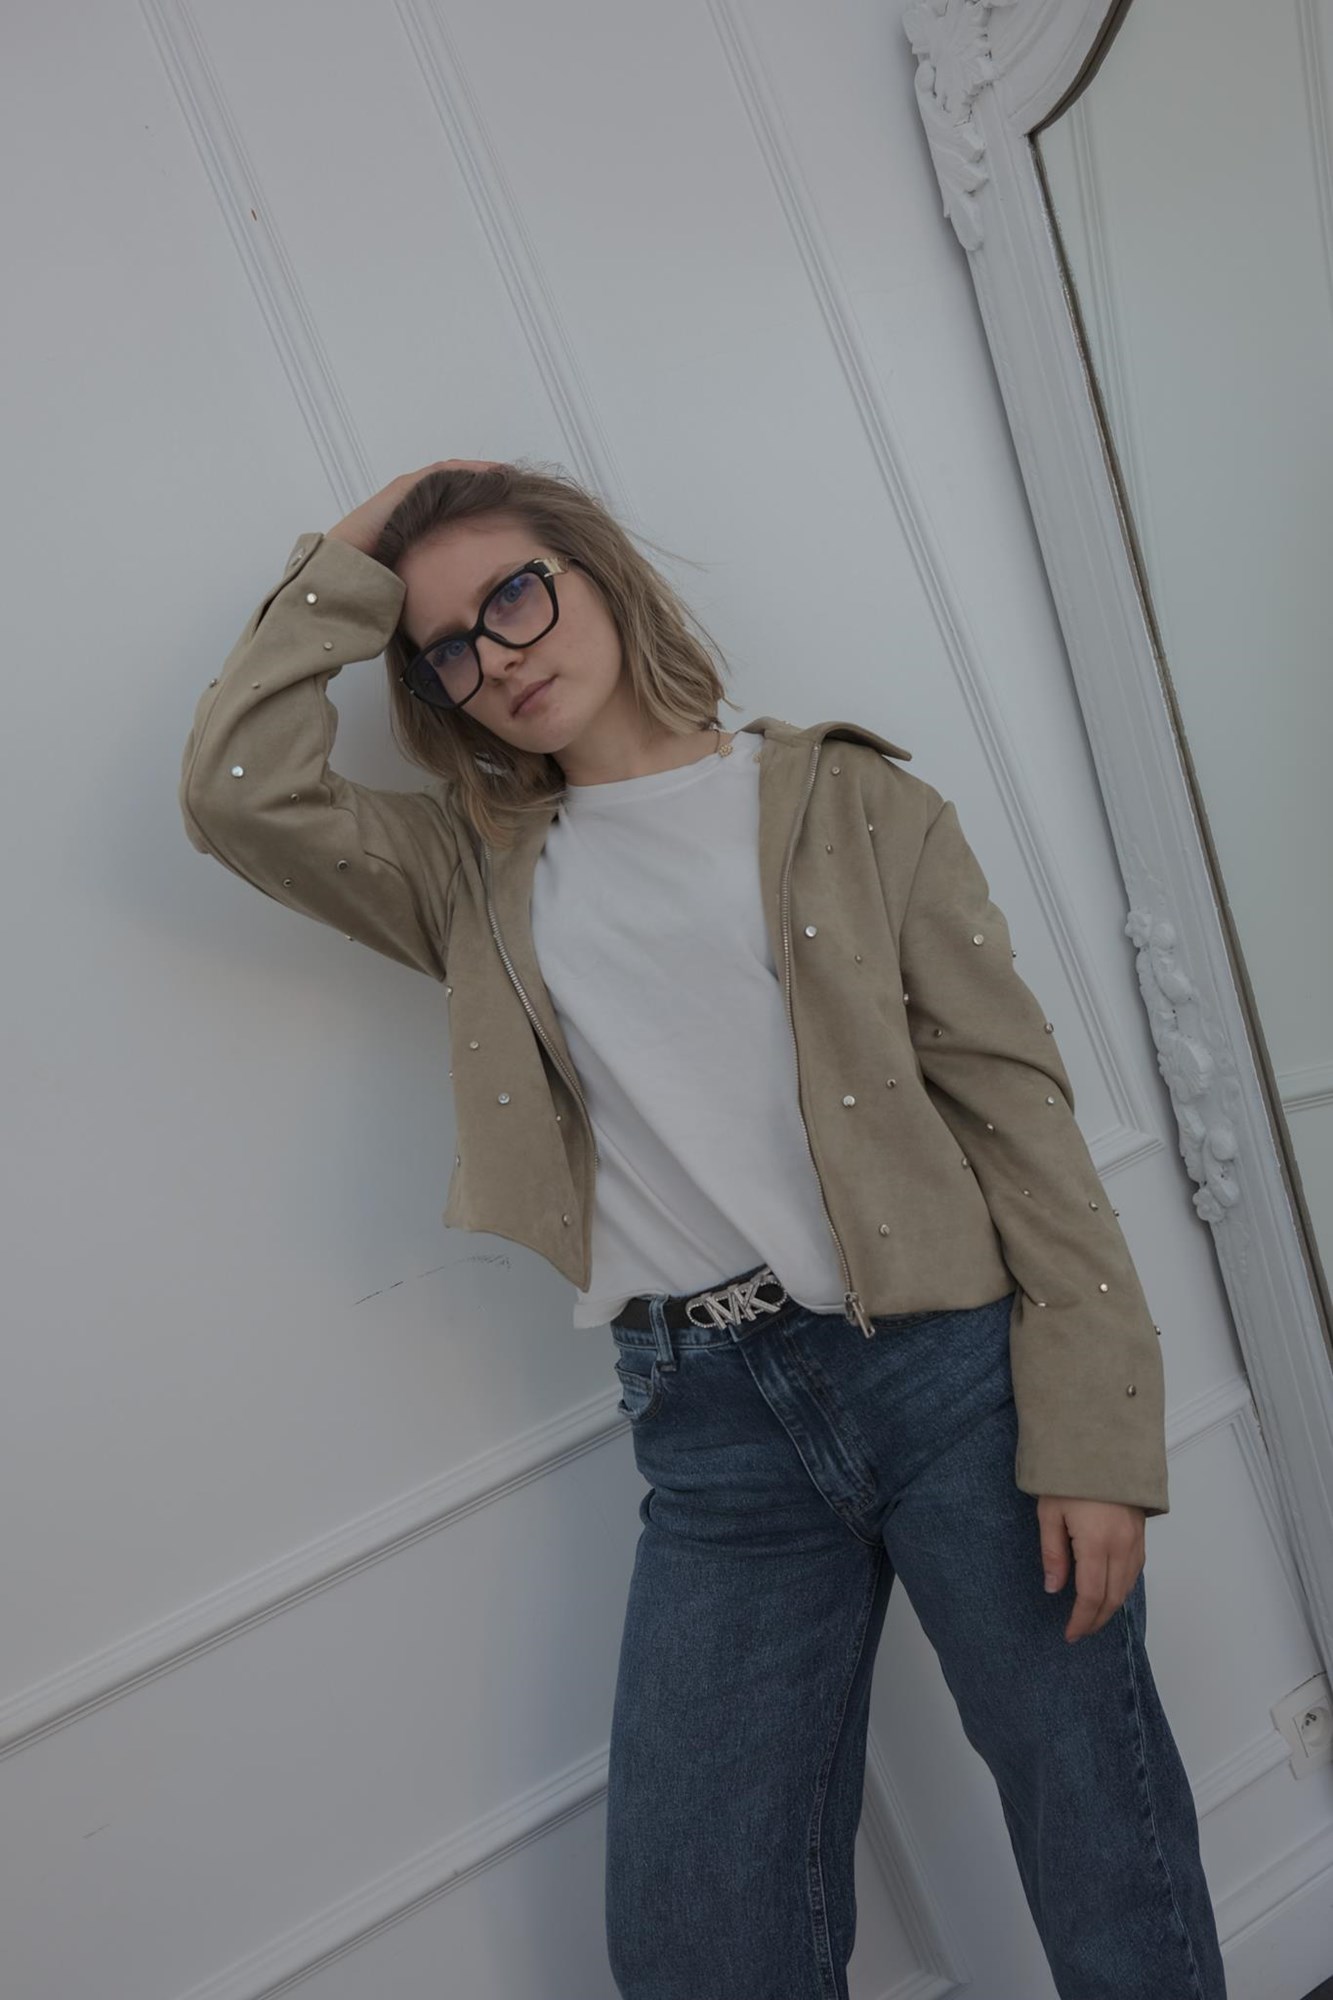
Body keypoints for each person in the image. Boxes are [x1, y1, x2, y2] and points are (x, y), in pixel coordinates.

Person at [178, 460, 1228, 1999]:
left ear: (598, 571)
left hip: (951, 1381)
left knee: (1098, 1832)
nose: (496, 656)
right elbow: (235, 790)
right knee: (697, 1934)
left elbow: (1018, 1119)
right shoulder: (463, 870)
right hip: (711, 1429)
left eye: (516, 595)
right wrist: (351, 552)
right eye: (447, 647)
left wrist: (1094, 1429)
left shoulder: (853, 804)